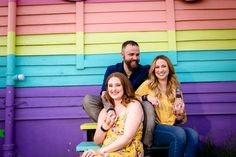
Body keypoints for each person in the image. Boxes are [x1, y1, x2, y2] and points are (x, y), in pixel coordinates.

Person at [83, 40, 156, 149]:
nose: (135, 58)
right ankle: (114, 128)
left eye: (137, 54)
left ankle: (146, 147)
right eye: (131, 55)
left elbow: (166, 75)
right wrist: (109, 109)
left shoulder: (145, 70)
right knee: (88, 100)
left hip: (134, 107)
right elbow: (104, 94)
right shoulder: (112, 69)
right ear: (122, 55)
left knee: (148, 106)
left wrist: (178, 96)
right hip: (114, 106)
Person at [135, 55, 199, 157]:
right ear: (153, 70)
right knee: (179, 133)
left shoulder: (175, 88)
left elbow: (180, 119)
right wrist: (147, 97)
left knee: (193, 135)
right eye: (157, 67)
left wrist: (179, 114)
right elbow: (132, 98)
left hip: (172, 127)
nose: (160, 70)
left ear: (169, 68)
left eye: (163, 66)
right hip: (155, 129)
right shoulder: (148, 84)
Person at [81, 72, 144, 157]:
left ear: (124, 87)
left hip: (127, 150)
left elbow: (127, 138)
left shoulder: (133, 105)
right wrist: (105, 127)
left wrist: (99, 151)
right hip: (107, 151)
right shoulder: (104, 111)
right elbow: (97, 141)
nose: (113, 89)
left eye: (118, 85)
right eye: (110, 86)